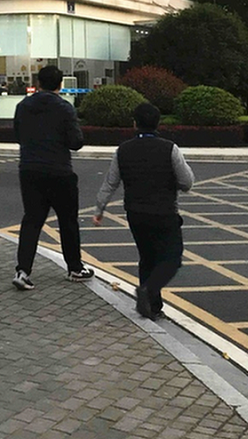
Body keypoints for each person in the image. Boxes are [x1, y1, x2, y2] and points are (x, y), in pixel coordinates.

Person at [93, 102, 195, 319]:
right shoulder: (170, 149)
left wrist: (99, 209)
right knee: (172, 258)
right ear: (158, 123)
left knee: (147, 258)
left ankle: (152, 307)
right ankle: (148, 292)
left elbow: (110, 183)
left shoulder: (123, 150)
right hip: (164, 212)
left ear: (135, 124)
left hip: (135, 213)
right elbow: (187, 182)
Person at [13, 65, 94, 290]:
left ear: (38, 83)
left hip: (29, 170)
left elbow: (18, 135)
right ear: (60, 84)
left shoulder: (23, 106)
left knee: (32, 221)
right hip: (59, 171)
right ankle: (75, 268)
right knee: (68, 222)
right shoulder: (64, 108)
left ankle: (23, 271)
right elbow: (76, 142)